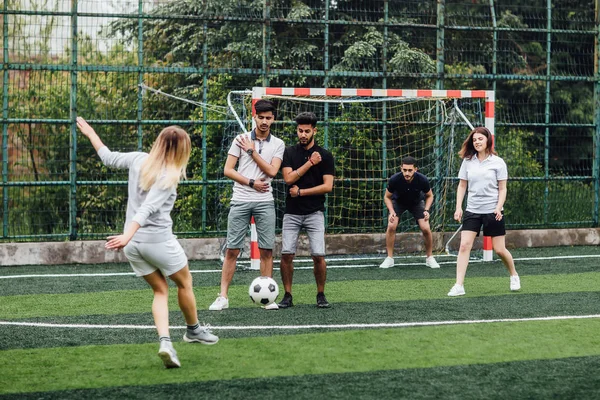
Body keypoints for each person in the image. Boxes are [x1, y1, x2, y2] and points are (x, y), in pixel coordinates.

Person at [76, 117, 218, 369]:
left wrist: (90, 133)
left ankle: (165, 342)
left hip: (133, 246)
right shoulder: (169, 176)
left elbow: (107, 157)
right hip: (157, 242)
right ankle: (193, 330)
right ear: (182, 150)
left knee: (160, 290)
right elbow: (148, 209)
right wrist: (127, 235)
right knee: (184, 283)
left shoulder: (138, 159)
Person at [209, 99, 285, 311]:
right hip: (240, 200)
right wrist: (251, 182)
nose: (264, 121)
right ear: (254, 117)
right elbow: (228, 170)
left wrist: (252, 152)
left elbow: (272, 171)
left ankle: (268, 298)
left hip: (265, 202)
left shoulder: (278, 144)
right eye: (260, 117)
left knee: (267, 249)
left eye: (268, 118)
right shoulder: (240, 139)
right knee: (232, 249)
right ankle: (223, 296)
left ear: (273, 119)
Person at [447, 126, 520, 297]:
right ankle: (459, 285)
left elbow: (503, 189)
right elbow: (462, 185)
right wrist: (459, 207)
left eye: (480, 139)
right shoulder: (468, 161)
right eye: (474, 139)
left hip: (493, 211)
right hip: (472, 210)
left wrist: (498, 206)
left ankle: (514, 275)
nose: (477, 142)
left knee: (500, 250)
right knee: (464, 245)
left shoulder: (498, 162)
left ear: (488, 140)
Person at [277, 112, 335, 309]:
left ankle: (320, 294)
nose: (303, 134)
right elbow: (288, 179)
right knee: (286, 254)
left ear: (314, 131)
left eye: (307, 131)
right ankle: (287, 295)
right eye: (300, 131)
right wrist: (310, 163)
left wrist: (301, 192)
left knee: (318, 255)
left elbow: (328, 186)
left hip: (315, 212)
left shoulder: (325, 156)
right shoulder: (289, 152)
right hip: (292, 212)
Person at [379, 156, 440, 269]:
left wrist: (426, 210)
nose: (407, 173)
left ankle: (430, 258)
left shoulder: (422, 179)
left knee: (425, 227)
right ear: (401, 168)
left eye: (410, 170)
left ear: (415, 169)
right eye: (404, 170)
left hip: (416, 203)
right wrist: (391, 211)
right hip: (398, 202)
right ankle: (389, 258)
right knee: (391, 225)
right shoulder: (394, 179)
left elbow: (430, 196)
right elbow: (387, 197)